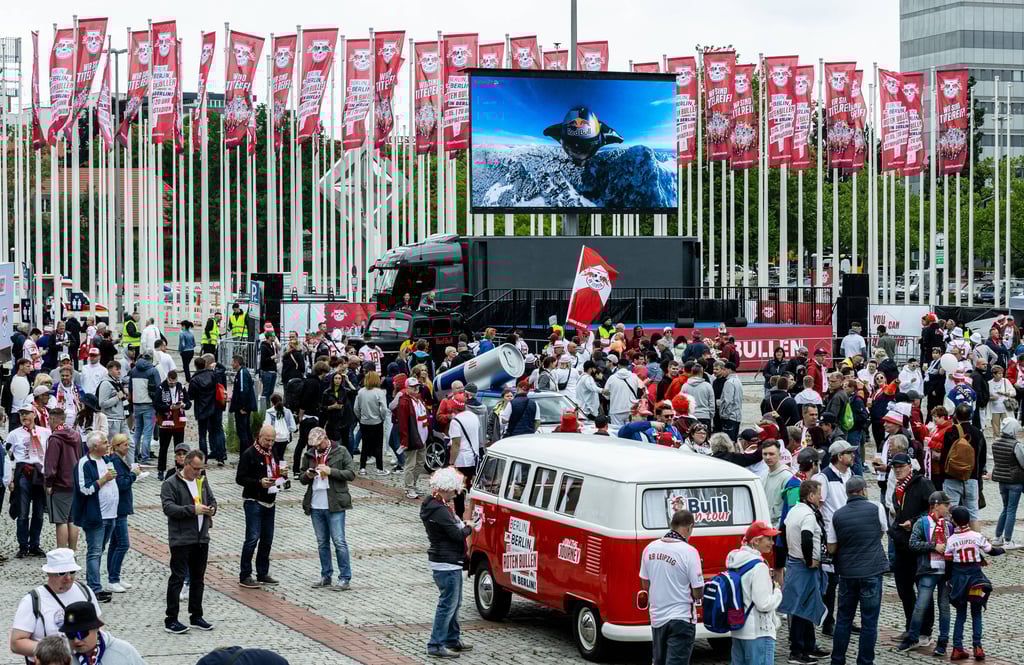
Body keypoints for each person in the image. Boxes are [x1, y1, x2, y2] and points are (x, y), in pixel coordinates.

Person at [825, 476, 889, 665]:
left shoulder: (838, 514)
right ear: (862, 491)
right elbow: (882, 531)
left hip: (847, 573)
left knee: (844, 619)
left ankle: (837, 660)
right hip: (871, 571)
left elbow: (831, 548)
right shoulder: (877, 507)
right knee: (869, 621)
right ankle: (865, 661)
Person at [421, 467, 475, 659]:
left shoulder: (435, 506)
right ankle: (436, 644)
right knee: (448, 604)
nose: (455, 494)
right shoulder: (440, 510)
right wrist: (469, 528)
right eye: (454, 491)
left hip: (446, 561)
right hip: (447, 562)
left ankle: (452, 638)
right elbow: (456, 535)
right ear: (446, 488)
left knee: (455, 602)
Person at [9, 548, 101, 662]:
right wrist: (54, 652)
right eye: (61, 573)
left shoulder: (85, 591)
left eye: (72, 572)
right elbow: (16, 643)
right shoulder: (32, 600)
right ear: (49, 573)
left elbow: (98, 627)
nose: (68, 577)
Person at [161, 449, 217, 635]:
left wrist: (211, 509)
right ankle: (171, 619)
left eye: (201, 468)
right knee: (177, 578)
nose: (198, 472)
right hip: (181, 538)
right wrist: (192, 510)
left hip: (201, 537)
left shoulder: (202, 480)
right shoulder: (171, 483)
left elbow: (213, 500)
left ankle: (196, 615)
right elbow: (169, 508)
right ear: (185, 464)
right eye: (195, 468)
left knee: (198, 579)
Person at [639, 508, 703, 665]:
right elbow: (697, 592)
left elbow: (645, 583)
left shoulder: (649, 548)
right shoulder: (689, 552)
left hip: (657, 617)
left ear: (671, 524)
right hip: (681, 617)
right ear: (689, 528)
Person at [886, 452, 935, 645]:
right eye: (894, 467)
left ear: (909, 466)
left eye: (901, 467)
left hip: (919, 545)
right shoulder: (897, 490)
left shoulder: (922, 484)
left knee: (923, 589)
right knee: (904, 589)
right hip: (901, 544)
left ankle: (925, 630)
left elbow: (933, 510)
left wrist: (913, 522)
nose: (897, 470)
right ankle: (910, 627)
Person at [946, 505, 1006, 661]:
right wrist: (1002, 549)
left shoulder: (951, 540)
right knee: (976, 612)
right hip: (975, 580)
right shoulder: (976, 535)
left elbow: (948, 560)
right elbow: (990, 550)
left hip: (959, 580)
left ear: (954, 521)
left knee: (960, 614)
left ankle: (957, 648)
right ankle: (978, 647)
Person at [300, 426, 356, 590]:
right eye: (314, 446)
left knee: (339, 542)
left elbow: (351, 474)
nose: (316, 448)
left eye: (319, 445)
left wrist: (331, 471)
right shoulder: (310, 454)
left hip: (335, 503)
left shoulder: (341, 451)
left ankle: (345, 577)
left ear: (325, 439)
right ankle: (326, 575)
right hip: (315, 504)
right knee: (322, 542)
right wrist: (308, 475)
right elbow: (302, 477)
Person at [899, 491, 954, 656]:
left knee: (944, 608)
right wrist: (933, 546)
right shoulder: (922, 523)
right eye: (946, 505)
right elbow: (913, 543)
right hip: (928, 570)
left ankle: (943, 641)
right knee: (921, 605)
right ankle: (913, 636)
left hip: (945, 572)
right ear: (936, 505)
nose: (948, 508)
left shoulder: (949, 525)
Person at [812, 440, 855, 637]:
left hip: (849, 535)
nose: (853, 456)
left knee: (849, 579)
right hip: (832, 537)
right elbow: (819, 507)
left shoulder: (851, 475)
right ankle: (828, 621)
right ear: (839, 456)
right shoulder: (824, 477)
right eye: (849, 453)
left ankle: (847, 619)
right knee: (831, 582)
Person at [727, 521, 783, 665]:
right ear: (757, 541)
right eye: (768, 539)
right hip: (758, 632)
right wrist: (777, 592)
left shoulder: (736, 562)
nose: (772, 543)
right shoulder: (759, 566)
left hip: (739, 629)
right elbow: (763, 604)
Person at [71, 432, 118, 603]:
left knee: (100, 551)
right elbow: (85, 489)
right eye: (105, 443)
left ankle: (96, 584)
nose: (108, 445)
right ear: (94, 446)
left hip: (111, 513)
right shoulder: (84, 463)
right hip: (95, 514)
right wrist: (104, 479)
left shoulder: (106, 460)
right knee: (94, 551)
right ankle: (94, 589)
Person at [236, 424, 282, 589]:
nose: (270, 443)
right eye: (267, 440)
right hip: (253, 500)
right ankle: (245, 574)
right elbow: (240, 478)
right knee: (252, 538)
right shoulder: (249, 454)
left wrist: (281, 478)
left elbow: (275, 471)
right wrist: (258, 483)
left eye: (272, 440)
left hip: (270, 501)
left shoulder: (273, 452)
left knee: (267, 539)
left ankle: (262, 572)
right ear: (259, 436)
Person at [9, 406, 52, 558]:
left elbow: (51, 454)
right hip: (23, 474)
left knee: (39, 513)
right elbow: (9, 457)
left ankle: (35, 544)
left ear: (34, 414)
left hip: (40, 474)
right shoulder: (14, 434)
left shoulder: (45, 432)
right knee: (22, 512)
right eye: (21, 414)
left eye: (26, 414)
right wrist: (10, 478)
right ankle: (22, 545)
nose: (23, 417)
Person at [940, 402, 987, 531]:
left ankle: (950, 543)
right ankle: (976, 545)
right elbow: (982, 458)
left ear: (955, 415)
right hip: (971, 478)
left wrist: (943, 475)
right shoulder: (978, 433)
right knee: (973, 514)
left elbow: (944, 456)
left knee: (950, 512)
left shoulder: (950, 431)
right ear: (971, 416)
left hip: (951, 477)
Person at [58, 600, 145, 664]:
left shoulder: (124, 651)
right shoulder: (61, 658)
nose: (76, 640)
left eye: (81, 634)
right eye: (71, 634)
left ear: (96, 628)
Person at [43, 408, 81, 551]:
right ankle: (72, 551)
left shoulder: (55, 438)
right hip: (74, 483)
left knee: (61, 521)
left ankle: (62, 552)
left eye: (49, 420)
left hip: (60, 484)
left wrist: (49, 482)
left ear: (53, 419)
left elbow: (51, 464)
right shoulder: (76, 435)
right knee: (72, 520)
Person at [106, 434, 137, 595]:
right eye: (124, 445)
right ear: (116, 446)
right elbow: (121, 483)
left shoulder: (118, 460)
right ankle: (113, 579)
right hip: (118, 508)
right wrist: (134, 474)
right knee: (123, 544)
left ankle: (114, 576)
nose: (127, 447)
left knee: (115, 543)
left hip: (119, 507)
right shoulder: (116, 461)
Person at [990, 417, 1024, 549]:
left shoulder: (996, 443)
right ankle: (1008, 540)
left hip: (1002, 480)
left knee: (1005, 508)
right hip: (1015, 480)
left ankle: (997, 537)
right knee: (1011, 510)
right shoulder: (1016, 445)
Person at [399, 377, 432, 499]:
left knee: (420, 462)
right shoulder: (404, 402)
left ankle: (413, 484)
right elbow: (403, 424)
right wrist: (405, 440)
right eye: (413, 386)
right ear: (407, 388)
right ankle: (408, 487)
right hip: (412, 437)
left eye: (417, 386)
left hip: (422, 436)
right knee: (410, 464)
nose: (416, 388)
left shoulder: (419, 399)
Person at [156, 370, 190, 481]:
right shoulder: (161, 387)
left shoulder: (181, 387)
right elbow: (156, 404)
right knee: (163, 447)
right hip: (166, 422)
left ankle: (179, 468)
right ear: (167, 379)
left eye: (174, 382)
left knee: (179, 447)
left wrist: (183, 405)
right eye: (170, 382)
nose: (172, 384)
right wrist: (169, 407)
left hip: (179, 422)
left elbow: (188, 403)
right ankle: (161, 470)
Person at [129, 351, 162, 464]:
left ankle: (133, 455)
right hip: (149, 405)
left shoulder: (133, 371)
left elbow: (130, 388)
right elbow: (158, 388)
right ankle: (145, 457)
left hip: (136, 405)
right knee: (148, 432)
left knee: (137, 431)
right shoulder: (153, 371)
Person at [354, 371, 389, 476]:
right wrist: (382, 417)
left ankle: (362, 468)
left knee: (365, 445)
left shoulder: (361, 392)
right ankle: (379, 468)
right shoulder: (379, 392)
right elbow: (383, 408)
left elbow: (356, 408)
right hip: (377, 421)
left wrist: (360, 417)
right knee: (378, 445)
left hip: (364, 421)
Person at [188, 356, 220, 465]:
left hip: (201, 409)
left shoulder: (195, 379)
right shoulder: (212, 375)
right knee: (216, 431)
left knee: (202, 435)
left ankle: (204, 457)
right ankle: (220, 455)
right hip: (213, 407)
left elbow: (191, 396)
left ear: (196, 366)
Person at [230, 355, 258, 455]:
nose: (232, 364)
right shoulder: (242, 372)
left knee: (243, 432)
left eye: (233, 362)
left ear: (237, 362)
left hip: (243, 408)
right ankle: (250, 452)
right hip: (244, 407)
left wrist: (242, 407)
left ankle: (245, 454)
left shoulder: (242, 373)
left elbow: (243, 390)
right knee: (246, 431)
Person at [607, 355, 643, 428]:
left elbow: (606, 395)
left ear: (619, 365)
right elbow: (641, 388)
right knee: (629, 432)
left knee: (617, 432)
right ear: (628, 366)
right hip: (631, 408)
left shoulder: (612, 378)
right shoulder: (634, 377)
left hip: (616, 409)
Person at [97, 362, 129, 442]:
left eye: (120, 369)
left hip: (122, 418)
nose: (119, 372)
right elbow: (102, 403)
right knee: (113, 446)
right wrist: (117, 397)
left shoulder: (118, 382)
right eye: (116, 369)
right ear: (109, 370)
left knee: (129, 443)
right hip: (112, 420)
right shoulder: (105, 384)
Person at [265, 394, 298, 463]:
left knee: (274, 456)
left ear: (272, 402)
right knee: (281, 456)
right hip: (285, 438)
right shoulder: (288, 411)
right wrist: (286, 430)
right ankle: (282, 470)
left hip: (274, 438)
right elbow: (293, 427)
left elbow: (267, 426)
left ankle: (275, 471)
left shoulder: (269, 412)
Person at [718, 362, 743, 441]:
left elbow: (728, 401)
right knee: (734, 441)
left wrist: (724, 415)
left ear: (729, 370)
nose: (723, 372)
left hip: (730, 417)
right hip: (737, 416)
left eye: (724, 370)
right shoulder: (738, 381)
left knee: (728, 442)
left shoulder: (729, 382)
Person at [988, 364, 1014, 435]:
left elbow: (1013, 392)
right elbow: (986, 396)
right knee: (996, 430)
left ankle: (1005, 441)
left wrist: (1007, 393)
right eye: (999, 373)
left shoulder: (1006, 381)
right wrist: (991, 398)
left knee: (1006, 427)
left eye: (1002, 373)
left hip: (1005, 408)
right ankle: (996, 442)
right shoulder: (989, 383)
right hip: (994, 409)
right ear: (994, 374)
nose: (1001, 375)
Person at [258, 331, 279, 404]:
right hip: (267, 371)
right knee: (266, 391)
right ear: (269, 337)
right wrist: (272, 357)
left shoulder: (272, 345)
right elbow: (263, 360)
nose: (274, 338)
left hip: (273, 371)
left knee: (271, 391)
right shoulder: (264, 346)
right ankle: (263, 408)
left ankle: (268, 406)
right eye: (273, 336)